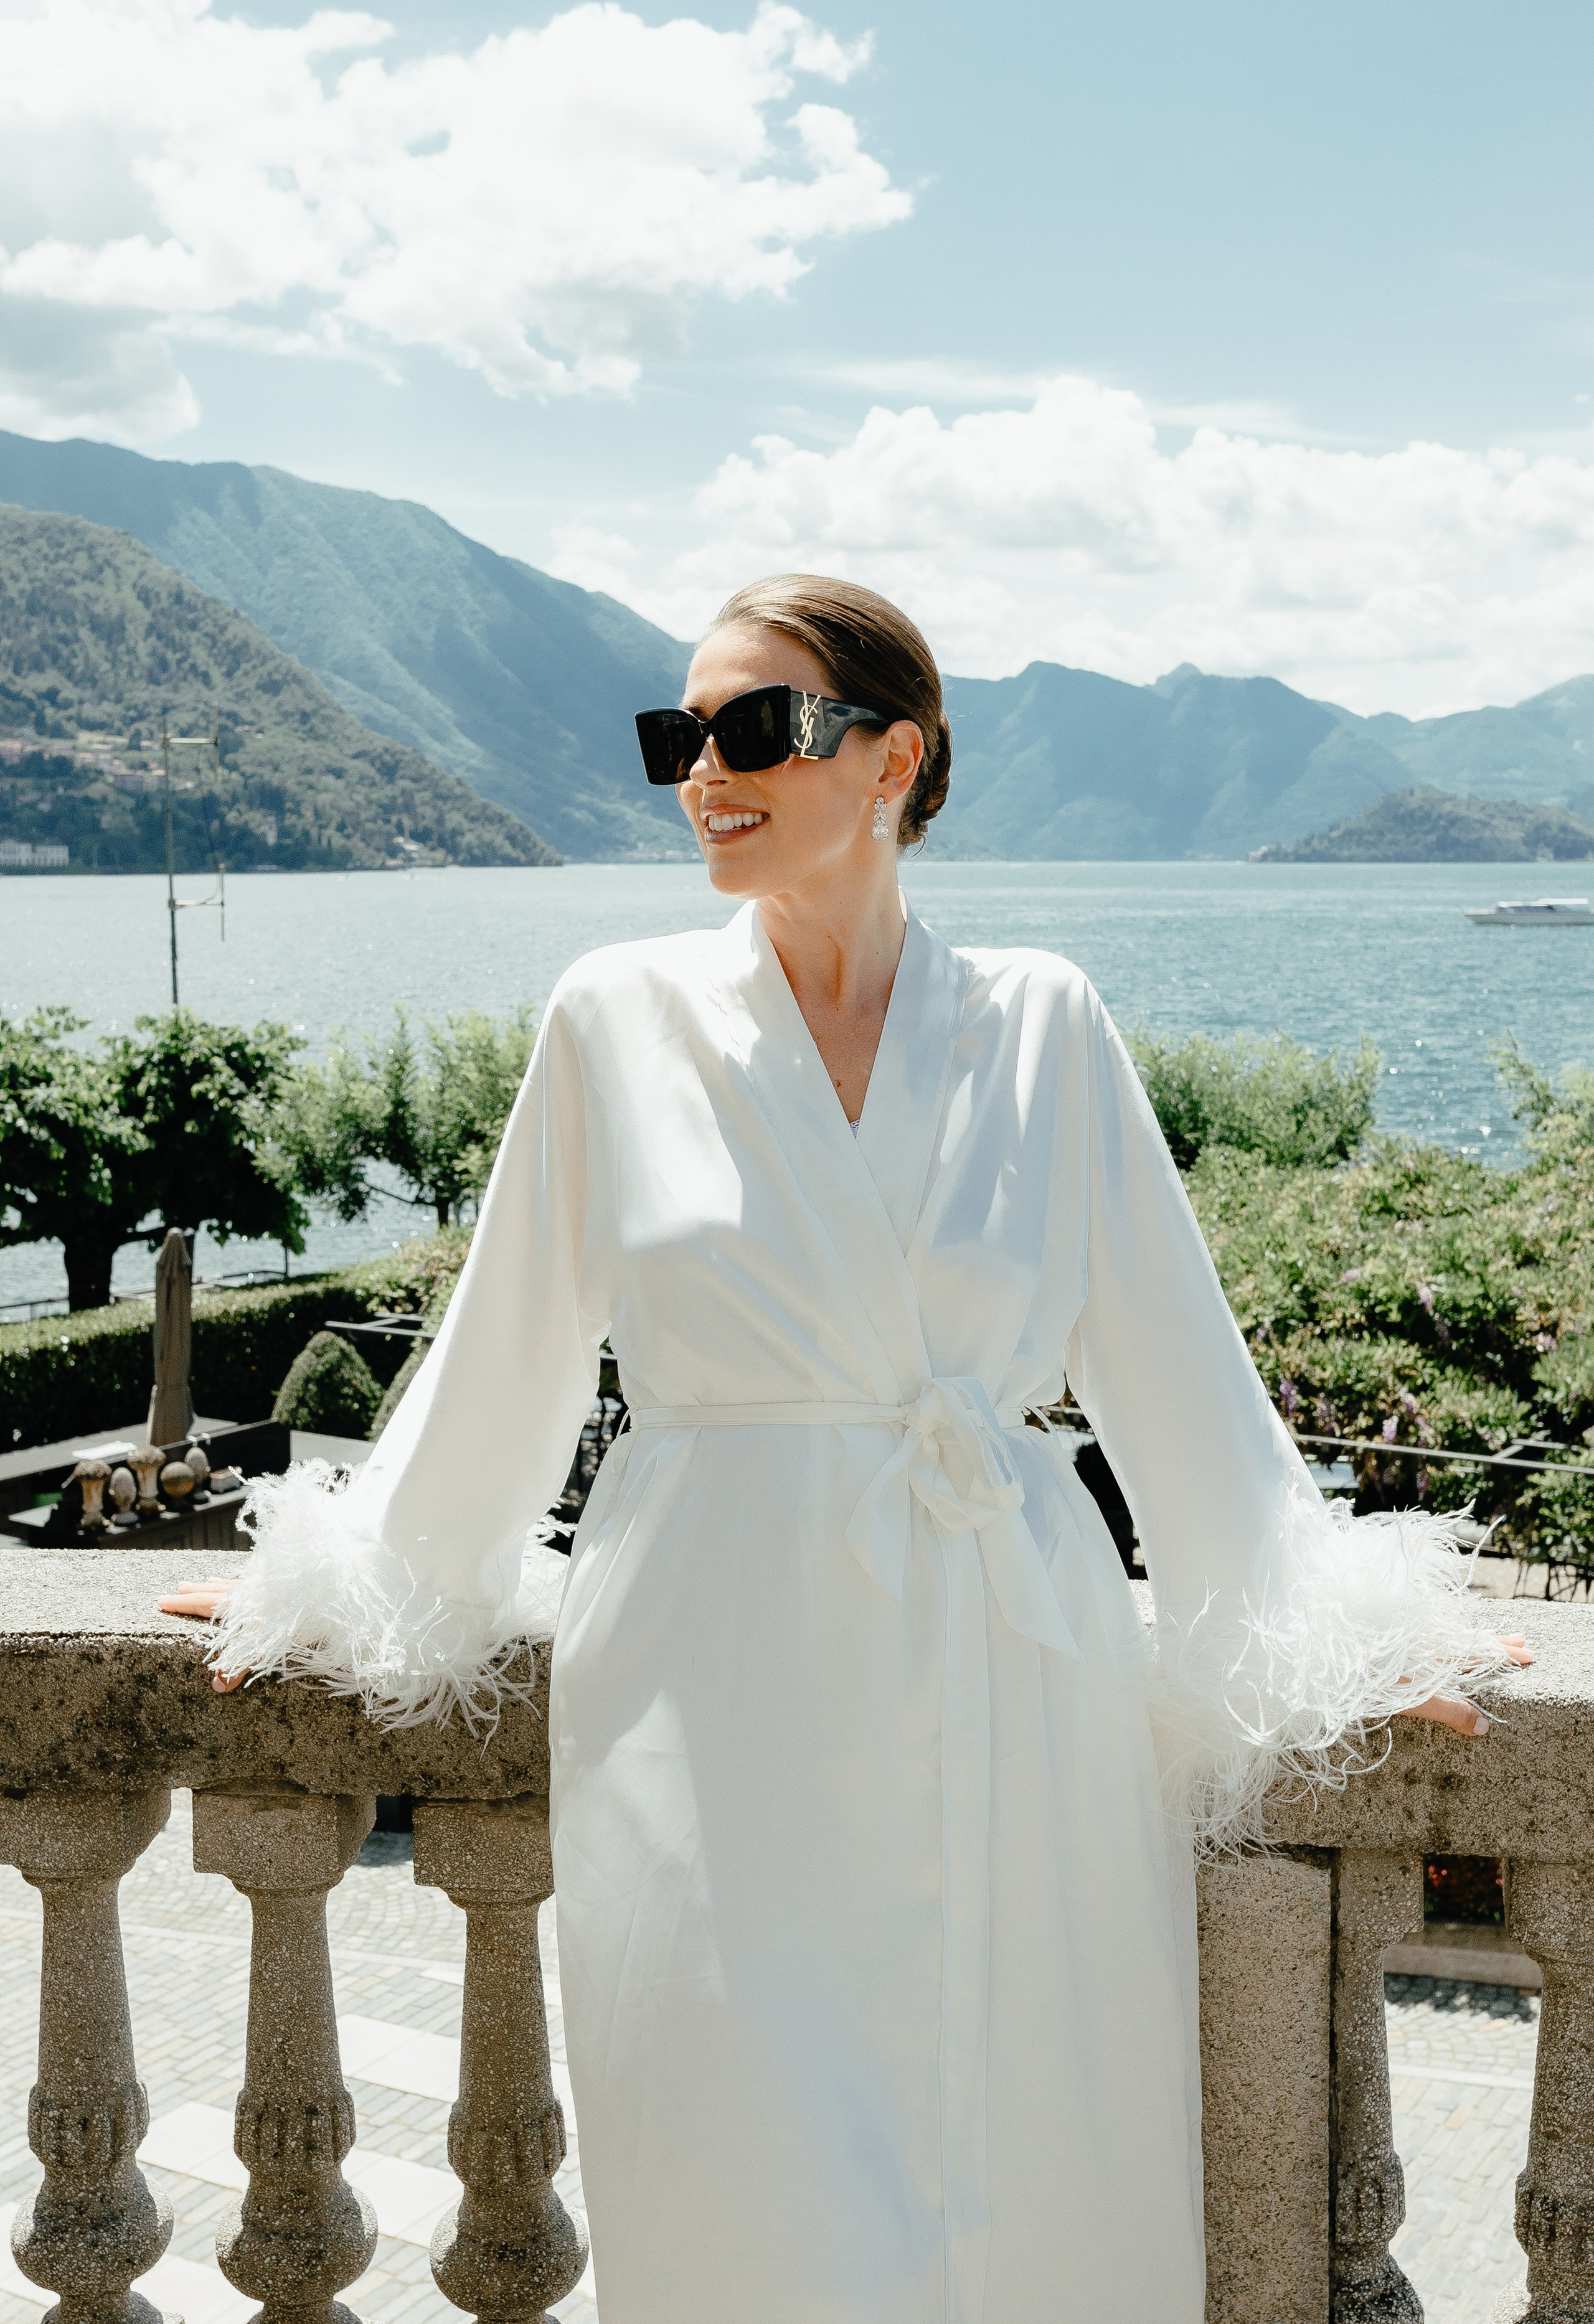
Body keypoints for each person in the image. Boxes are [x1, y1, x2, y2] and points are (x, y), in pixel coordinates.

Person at [163, 575, 1529, 2324]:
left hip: (1010, 1669)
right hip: (702, 1686)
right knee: (734, 2167)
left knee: (1028, 2164)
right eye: (681, 739)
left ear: (896, 760)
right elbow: (497, 1367)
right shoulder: (612, 1019)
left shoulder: (1046, 1021)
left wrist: (1347, 1629)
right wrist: (333, 1591)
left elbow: (1179, 1374)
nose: (704, 775)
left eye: (754, 730)